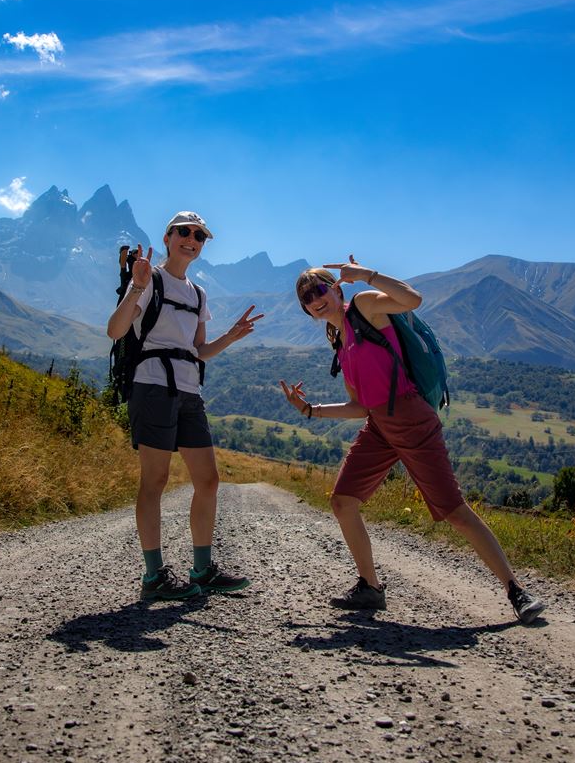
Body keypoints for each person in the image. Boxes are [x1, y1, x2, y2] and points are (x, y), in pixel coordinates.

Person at [280, 257, 546, 625]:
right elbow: (359, 406)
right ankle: (370, 588)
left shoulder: (364, 305)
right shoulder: (341, 341)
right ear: (306, 308)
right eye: (306, 297)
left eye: (319, 289)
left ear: (336, 288)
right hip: (379, 427)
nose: (314, 298)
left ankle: (517, 591)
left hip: (412, 418)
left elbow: (412, 300)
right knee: (343, 501)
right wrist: (309, 410)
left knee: (454, 511)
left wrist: (368, 275)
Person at [107, 210, 263, 602]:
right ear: (168, 236)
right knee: (155, 481)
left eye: (200, 235)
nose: (192, 239)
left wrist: (231, 335)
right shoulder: (150, 279)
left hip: (189, 391)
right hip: (153, 387)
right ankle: (154, 575)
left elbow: (198, 351)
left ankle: (202, 569)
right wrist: (136, 287)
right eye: (184, 232)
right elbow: (115, 330)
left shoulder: (198, 293)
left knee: (208, 480)